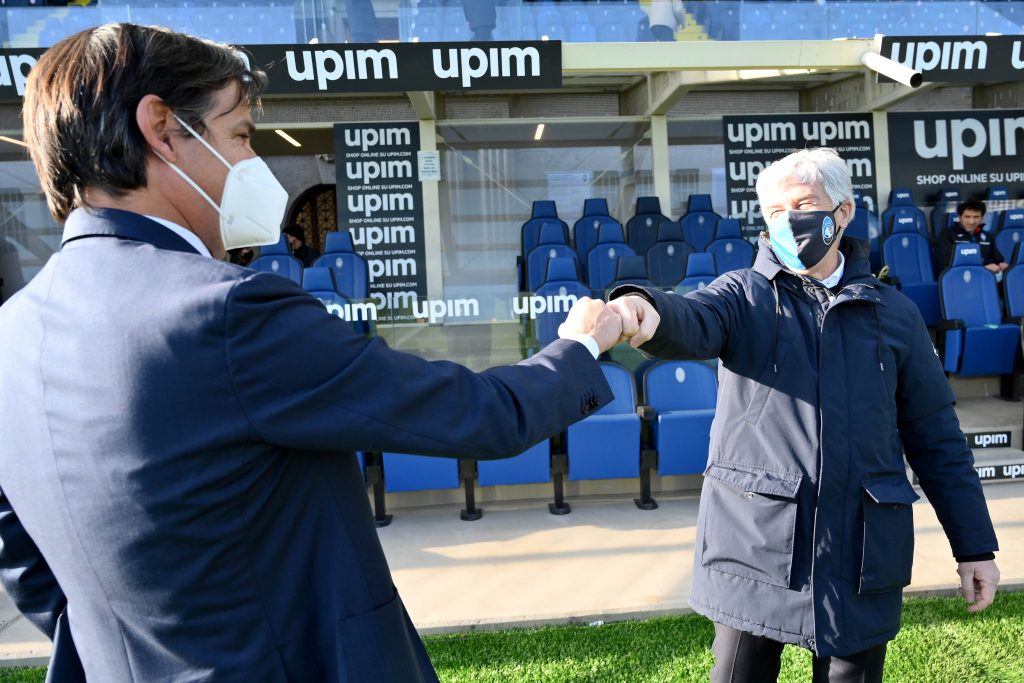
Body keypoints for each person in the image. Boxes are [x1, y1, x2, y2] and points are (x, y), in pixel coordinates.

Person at [0, 24, 622, 682]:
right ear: (162, 128)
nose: (251, 163)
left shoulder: (11, 331)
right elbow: (477, 415)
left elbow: (25, 559)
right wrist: (580, 344)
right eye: (239, 134)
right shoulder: (229, 313)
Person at [607, 148, 1000, 683]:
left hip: (862, 558)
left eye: (803, 204)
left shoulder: (896, 315)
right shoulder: (741, 297)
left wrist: (974, 545)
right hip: (755, 548)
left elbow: (937, 438)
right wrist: (642, 307)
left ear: (842, 212)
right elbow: (689, 316)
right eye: (773, 211)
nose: (788, 222)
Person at [932, 198, 1008, 275]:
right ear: (960, 218)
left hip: (985, 279)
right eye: (967, 217)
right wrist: (983, 268)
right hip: (958, 279)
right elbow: (944, 267)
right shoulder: (947, 235)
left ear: (982, 218)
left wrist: (1001, 264)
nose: (971, 222)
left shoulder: (988, 237)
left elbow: (998, 260)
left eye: (976, 217)